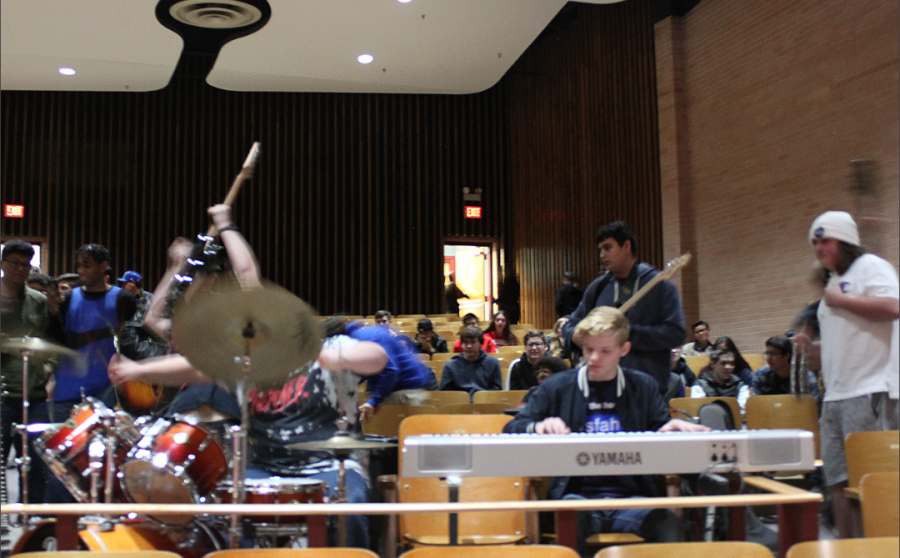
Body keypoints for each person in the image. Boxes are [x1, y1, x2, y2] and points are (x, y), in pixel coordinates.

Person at [504, 307, 707, 556]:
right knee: (570, 515)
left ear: (624, 350)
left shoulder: (643, 386)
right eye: (589, 349)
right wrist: (537, 427)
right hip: (578, 499)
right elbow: (511, 428)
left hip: (632, 500)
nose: (594, 358)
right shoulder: (558, 386)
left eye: (605, 350)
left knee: (667, 523)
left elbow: (659, 432)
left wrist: (669, 431)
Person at [797, 210, 899, 539]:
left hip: (867, 391)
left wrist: (840, 299)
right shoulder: (832, 285)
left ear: (844, 241)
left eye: (825, 240)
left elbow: (892, 306)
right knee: (837, 481)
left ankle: (877, 546)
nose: (818, 247)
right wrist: (812, 346)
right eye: (815, 242)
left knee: (867, 479)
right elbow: (847, 335)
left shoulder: (871, 267)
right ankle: (846, 545)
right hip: (835, 397)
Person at [563, 221, 686, 394]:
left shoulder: (660, 286)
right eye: (600, 249)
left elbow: (676, 334)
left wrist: (627, 333)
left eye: (608, 248)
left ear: (626, 246)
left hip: (646, 389)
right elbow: (570, 325)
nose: (602, 255)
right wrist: (573, 336)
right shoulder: (598, 287)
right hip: (602, 388)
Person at [1, 240, 52, 503]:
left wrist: (48, 365)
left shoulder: (39, 301)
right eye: (14, 263)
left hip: (34, 392)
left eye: (25, 265)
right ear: (2, 264)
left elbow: (50, 341)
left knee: (36, 462)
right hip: (2, 392)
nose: (20, 270)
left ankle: (33, 520)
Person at [342, 318, 436, 421]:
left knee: (405, 434)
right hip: (394, 389)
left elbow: (390, 371)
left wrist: (374, 400)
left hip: (405, 391)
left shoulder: (364, 338)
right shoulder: (356, 338)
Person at [439, 326, 501, 398]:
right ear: (461, 345)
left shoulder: (492, 363)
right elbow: (446, 394)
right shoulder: (450, 366)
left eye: (473, 342)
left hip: (484, 403)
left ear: (481, 344)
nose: (469, 346)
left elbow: (496, 391)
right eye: (465, 342)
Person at [751, 335, 819, 396]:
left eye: (773, 354)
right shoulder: (761, 374)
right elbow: (755, 404)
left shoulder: (806, 377)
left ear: (787, 356)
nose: (768, 358)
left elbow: (814, 406)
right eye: (767, 353)